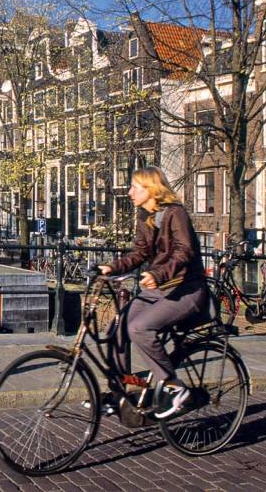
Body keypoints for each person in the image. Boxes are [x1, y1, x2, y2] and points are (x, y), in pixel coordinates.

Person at [98, 167, 208, 419]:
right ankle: (120, 394)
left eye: (135, 187)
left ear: (151, 189)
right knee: (117, 329)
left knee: (139, 328)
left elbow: (184, 251)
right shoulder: (145, 215)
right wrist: (110, 267)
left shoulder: (175, 213)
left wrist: (158, 274)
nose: (129, 192)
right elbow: (140, 254)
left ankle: (175, 388)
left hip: (186, 290)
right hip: (160, 289)